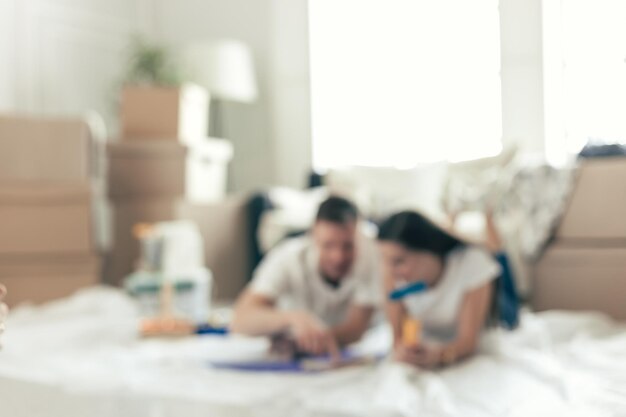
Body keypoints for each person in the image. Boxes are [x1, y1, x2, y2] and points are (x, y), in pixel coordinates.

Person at [231, 196, 381, 358]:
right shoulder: (287, 257)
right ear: (313, 236)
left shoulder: (371, 255)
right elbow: (240, 320)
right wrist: (293, 319)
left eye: (348, 246)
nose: (338, 257)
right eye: (328, 245)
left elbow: (355, 329)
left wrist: (305, 340)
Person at [377, 210, 501, 368]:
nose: (390, 271)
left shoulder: (471, 262)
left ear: (428, 251)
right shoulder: (393, 276)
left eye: (399, 261)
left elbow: (468, 342)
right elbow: (398, 341)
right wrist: (406, 352)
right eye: (384, 259)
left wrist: (440, 355)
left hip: (493, 317)